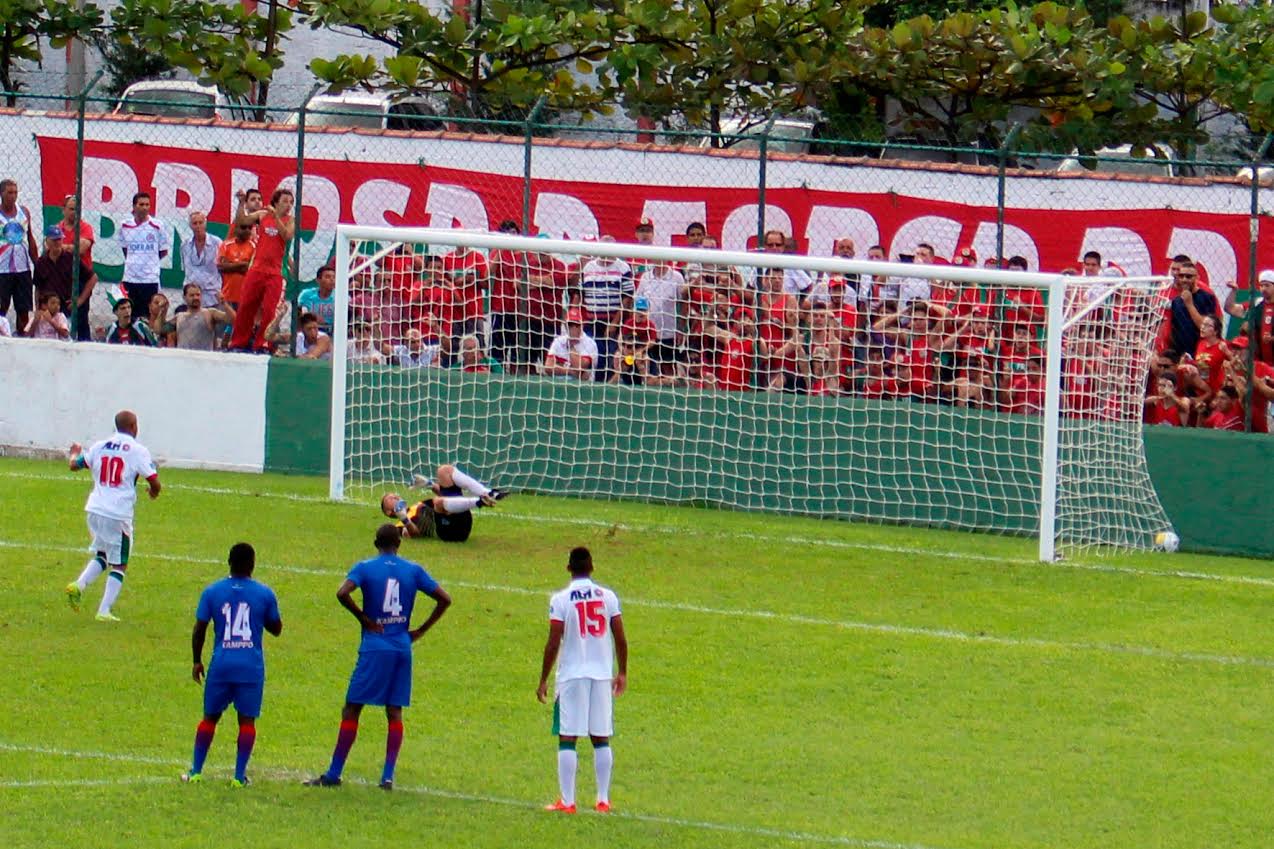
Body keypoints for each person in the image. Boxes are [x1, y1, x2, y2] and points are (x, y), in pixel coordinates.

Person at [305, 524, 452, 790]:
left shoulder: (365, 567)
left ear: (375, 543)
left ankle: (334, 773)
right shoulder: (413, 570)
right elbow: (445, 599)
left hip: (375, 646)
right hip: (401, 647)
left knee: (353, 707)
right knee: (394, 712)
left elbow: (342, 593)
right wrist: (420, 630)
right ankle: (387, 776)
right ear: (399, 543)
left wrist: (363, 618)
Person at [182, 542, 283, 787]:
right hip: (250, 666)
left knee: (209, 718)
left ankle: (196, 771)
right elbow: (276, 629)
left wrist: (196, 661)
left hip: (221, 664)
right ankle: (238, 777)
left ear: (229, 562)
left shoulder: (212, 591)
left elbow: (199, 629)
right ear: (252, 564)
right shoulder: (264, 593)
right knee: (247, 721)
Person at [536, 546, 628, 814]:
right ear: (592, 567)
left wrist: (543, 678)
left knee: (568, 736)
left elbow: (554, 640)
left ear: (568, 568)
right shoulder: (608, 596)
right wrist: (622, 671)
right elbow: (620, 637)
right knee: (601, 736)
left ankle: (568, 801)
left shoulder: (561, 599)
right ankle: (602, 799)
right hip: (601, 675)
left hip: (572, 675)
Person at [64, 410, 161, 621]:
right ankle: (104, 611)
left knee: (104, 555)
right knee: (120, 563)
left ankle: (78, 586)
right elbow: (154, 480)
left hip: (94, 509)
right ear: (134, 427)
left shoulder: (100, 446)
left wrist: (74, 452)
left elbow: (74, 465)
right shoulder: (137, 450)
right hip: (118, 513)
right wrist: (153, 492)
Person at [229, 187, 295, 353]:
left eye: (291, 202)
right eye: (285, 201)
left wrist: (276, 218)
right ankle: (238, 342)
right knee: (246, 306)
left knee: (270, 310)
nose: (288, 205)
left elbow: (286, 236)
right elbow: (242, 221)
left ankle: (263, 344)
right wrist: (241, 202)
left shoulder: (290, 220)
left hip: (276, 273)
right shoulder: (262, 215)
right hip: (257, 269)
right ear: (275, 202)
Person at [383, 464, 509, 543]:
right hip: (449, 532)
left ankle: (489, 493)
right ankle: (480, 501)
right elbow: (414, 534)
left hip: (459, 517)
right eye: (390, 499)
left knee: (444, 471)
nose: (394, 496)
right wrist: (404, 518)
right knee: (438, 502)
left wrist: (429, 485)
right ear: (389, 512)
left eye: (394, 495)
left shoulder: (417, 505)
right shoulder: (399, 524)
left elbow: (445, 499)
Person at [32, 224, 96, 341]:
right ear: (47, 241)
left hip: (66, 309)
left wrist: (80, 300)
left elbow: (92, 278)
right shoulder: (41, 262)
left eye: (59, 239)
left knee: (67, 339)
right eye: (54, 240)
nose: (57, 243)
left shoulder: (71, 258)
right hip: (47, 311)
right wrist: (38, 309)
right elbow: (38, 288)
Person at [119, 191, 168, 322]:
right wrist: (134, 260)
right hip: (130, 278)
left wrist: (149, 261)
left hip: (150, 279)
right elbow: (125, 250)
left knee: (151, 315)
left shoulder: (158, 226)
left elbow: (163, 251)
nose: (145, 207)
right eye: (141, 204)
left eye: (147, 204)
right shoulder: (125, 226)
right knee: (129, 315)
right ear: (134, 207)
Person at [0, 178, 39, 337]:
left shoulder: (24, 212)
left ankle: (22, 339)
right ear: (1, 194)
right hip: (2, 269)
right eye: (9, 192)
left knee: (23, 310)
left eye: (15, 192)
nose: (13, 196)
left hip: (22, 269)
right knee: (1, 308)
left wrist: (37, 264)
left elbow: (29, 238)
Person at [180, 211, 224, 312]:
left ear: (205, 223)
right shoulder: (185, 245)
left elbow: (222, 268)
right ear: (190, 226)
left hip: (212, 296)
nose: (198, 226)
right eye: (195, 223)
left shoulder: (217, 243)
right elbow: (186, 269)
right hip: (191, 296)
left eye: (201, 222)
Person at [174, 283, 231, 351]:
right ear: (184, 297)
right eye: (192, 295)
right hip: (183, 358)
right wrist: (163, 310)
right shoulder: (179, 316)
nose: (196, 298)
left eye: (198, 295)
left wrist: (224, 304)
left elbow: (232, 320)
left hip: (203, 359)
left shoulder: (210, 313)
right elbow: (159, 329)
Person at [297, 264, 337, 335]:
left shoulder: (339, 296)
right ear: (318, 280)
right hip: (310, 329)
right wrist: (312, 318)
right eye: (328, 277)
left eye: (334, 277)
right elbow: (299, 312)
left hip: (333, 331)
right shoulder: (306, 295)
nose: (332, 280)